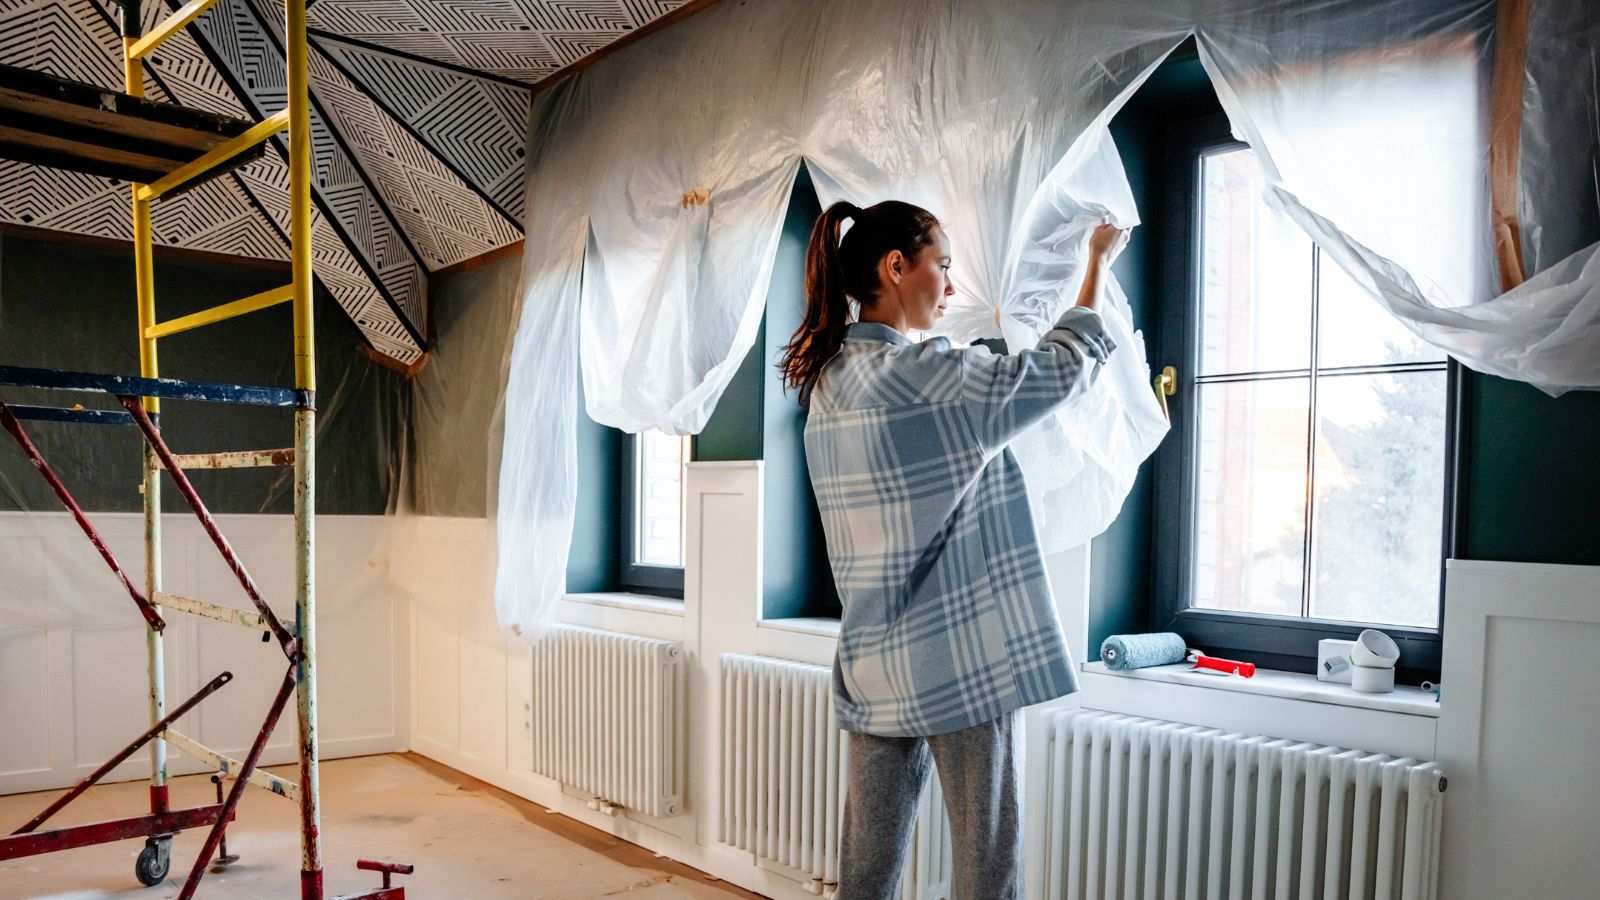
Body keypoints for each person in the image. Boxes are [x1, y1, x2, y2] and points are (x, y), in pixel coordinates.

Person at [778, 199, 1128, 900]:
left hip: (874, 657)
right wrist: (1093, 264)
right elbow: (1059, 371)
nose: (952, 288)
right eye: (944, 265)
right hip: (960, 656)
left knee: (867, 870)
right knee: (986, 866)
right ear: (896, 266)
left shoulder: (830, 383)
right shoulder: (927, 377)